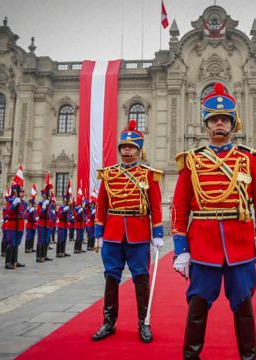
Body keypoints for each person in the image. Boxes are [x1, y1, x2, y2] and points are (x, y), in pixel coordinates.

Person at [171, 83, 256, 359]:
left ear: (232, 124)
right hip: (203, 245)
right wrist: (181, 248)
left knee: (243, 303)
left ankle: (248, 356)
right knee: (198, 304)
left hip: (240, 245)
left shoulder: (249, 160)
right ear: (206, 126)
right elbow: (179, 207)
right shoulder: (191, 161)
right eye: (214, 119)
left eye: (224, 119)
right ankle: (191, 356)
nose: (219, 123)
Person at [92, 119, 164, 344]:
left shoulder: (148, 176)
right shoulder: (108, 174)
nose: (127, 150)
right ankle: (108, 321)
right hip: (113, 235)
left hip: (138, 235)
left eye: (131, 147)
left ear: (139, 151)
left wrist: (158, 234)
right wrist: (99, 233)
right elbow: (101, 205)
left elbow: (156, 206)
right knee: (111, 278)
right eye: (124, 147)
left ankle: (144, 322)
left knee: (141, 279)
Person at [2, 184, 26, 269]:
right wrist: (14, 204)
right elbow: (8, 211)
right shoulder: (11, 200)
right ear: (15, 192)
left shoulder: (23, 202)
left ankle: (14, 261)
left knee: (16, 244)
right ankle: (8, 262)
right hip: (12, 224)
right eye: (21, 191)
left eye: (23, 191)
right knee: (11, 243)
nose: (23, 193)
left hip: (20, 225)